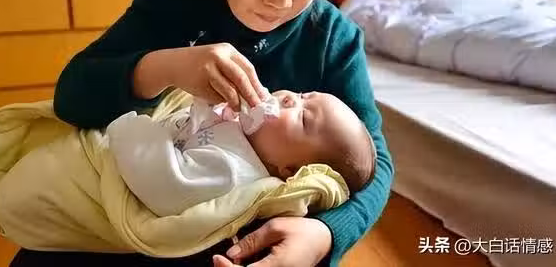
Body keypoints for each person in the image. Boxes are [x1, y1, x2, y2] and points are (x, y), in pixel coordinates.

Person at [10, 0, 393, 267]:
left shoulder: (333, 39)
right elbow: (71, 97)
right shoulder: (174, 2)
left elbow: (373, 162)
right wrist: (162, 68)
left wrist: (326, 233)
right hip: (111, 220)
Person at [108, 90, 377, 218]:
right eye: (304, 95)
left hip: (121, 158)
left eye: (303, 118)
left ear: (290, 170)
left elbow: (165, 181)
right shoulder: (242, 126)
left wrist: (130, 129)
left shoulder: (232, 171)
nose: (291, 99)